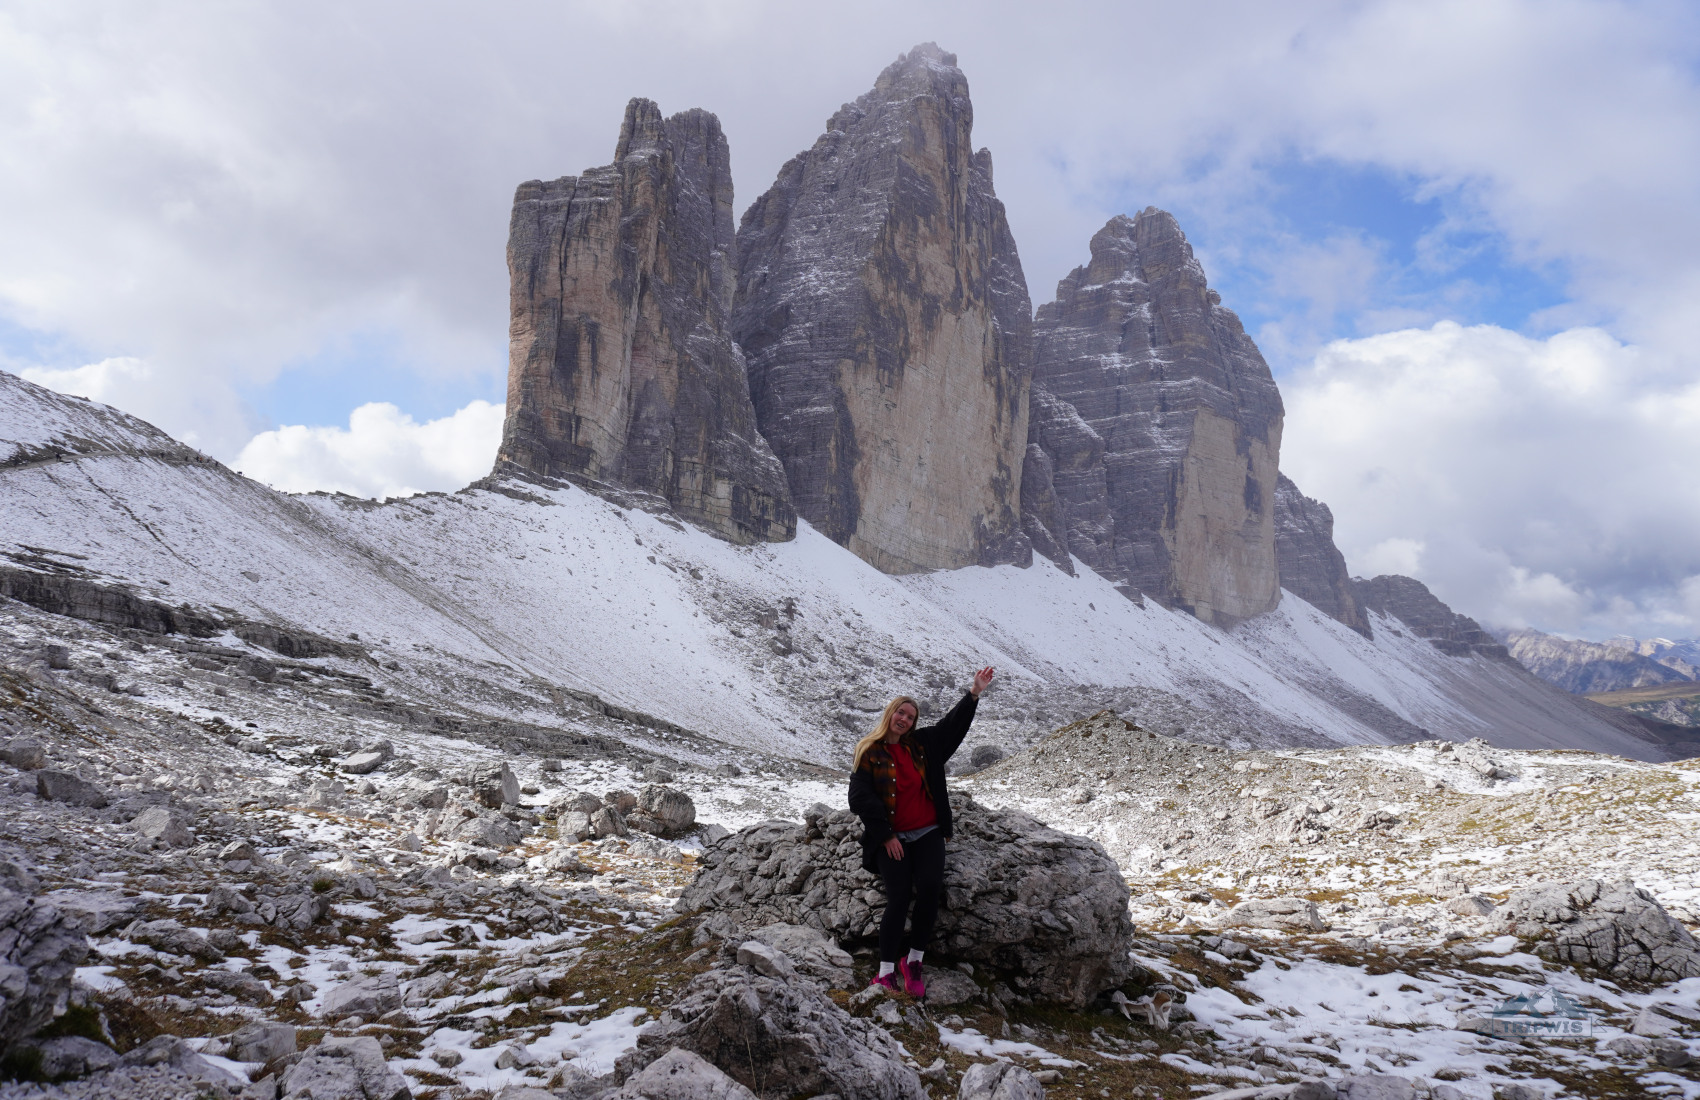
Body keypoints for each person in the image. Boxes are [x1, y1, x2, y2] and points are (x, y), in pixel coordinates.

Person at [847, 665, 995, 998]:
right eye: (901, 713)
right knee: (898, 897)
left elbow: (950, 729)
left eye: (911, 717)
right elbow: (859, 797)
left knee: (929, 889)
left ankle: (913, 962)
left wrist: (973, 694)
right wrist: (886, 835)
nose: (905, 720)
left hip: (928, 832)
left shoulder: (922, 745)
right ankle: (885, 972)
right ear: (890, 714)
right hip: (892, 837)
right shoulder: (870, 752)